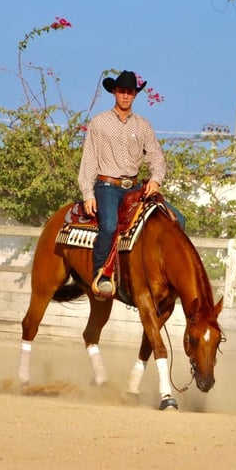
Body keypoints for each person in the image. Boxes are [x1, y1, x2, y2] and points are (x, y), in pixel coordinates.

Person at [78, 69, 167, 298]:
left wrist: (156, 179)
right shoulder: (99, 123)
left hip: (135, 188)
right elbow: (89, 158)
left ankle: (159, 274)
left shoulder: (143, 126)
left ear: (135, 95)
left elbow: (156, 156)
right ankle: (101, 275)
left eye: (129, 92)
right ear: (114, 93)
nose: (125, 96)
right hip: (107, 186)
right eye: (121, 91)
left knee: (175, 218)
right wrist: (88, 193)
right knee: (108, 225)